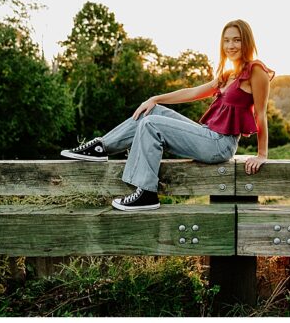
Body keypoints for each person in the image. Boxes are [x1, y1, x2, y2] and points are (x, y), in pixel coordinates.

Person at [61, 19, 274, 211]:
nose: (230, 46)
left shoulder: (256, 71)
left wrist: (261, 154)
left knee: (152, 124)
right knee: (151, 111)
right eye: (226, 40)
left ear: (247, 41)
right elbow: (192, 92)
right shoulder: (228, 75)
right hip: (207, 134)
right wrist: (155, 98)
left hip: (220, 145)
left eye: (236, 40)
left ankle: (146, 193)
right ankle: (101, 147)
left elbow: (261, 114)